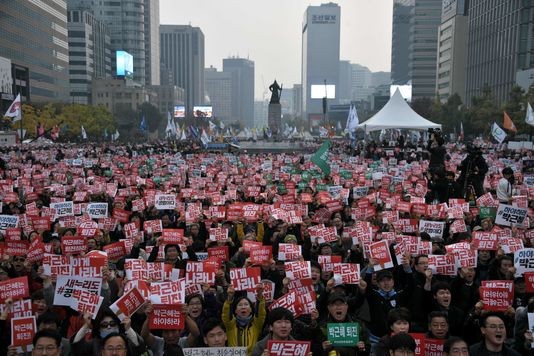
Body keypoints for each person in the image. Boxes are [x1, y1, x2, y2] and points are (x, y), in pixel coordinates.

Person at [222, 284, 266, 354]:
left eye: (246, 304)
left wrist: (260, 295)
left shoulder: (256, 324)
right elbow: (226, 315)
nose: (243, 307)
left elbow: (261, 314)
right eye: (240, 305)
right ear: (235, 311)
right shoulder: (230, 325)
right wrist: (230, 298)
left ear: (251, 309)